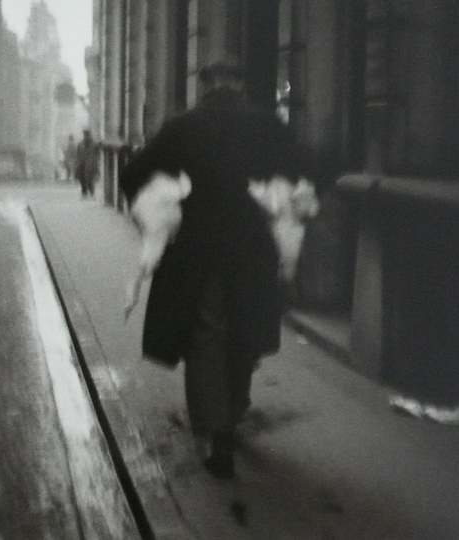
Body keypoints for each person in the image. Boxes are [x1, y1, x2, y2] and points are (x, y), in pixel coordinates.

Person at [118, 61, 312, 479]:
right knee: (245, 329)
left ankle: (214, 432)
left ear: (204, 87)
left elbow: (132, 172)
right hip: (251, 248)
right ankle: (235, 407)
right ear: (239, 85)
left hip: (197, 250)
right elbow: (300, 168)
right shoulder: (266, 124)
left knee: (206, 336)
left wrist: (158, 208)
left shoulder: (184, 127)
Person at [74, 129, 99, 198]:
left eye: (87, 135)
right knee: (82, 179)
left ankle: (91, 193)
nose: (86, 136)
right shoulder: (80, 144)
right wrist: (77, 164)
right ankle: (84, 193)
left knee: (90, 179)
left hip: (90, 164)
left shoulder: (94, 144)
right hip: (82, 164)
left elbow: (97, 154)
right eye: (85, 135)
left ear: (90, 135)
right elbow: (77, 154)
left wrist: (96, 163)